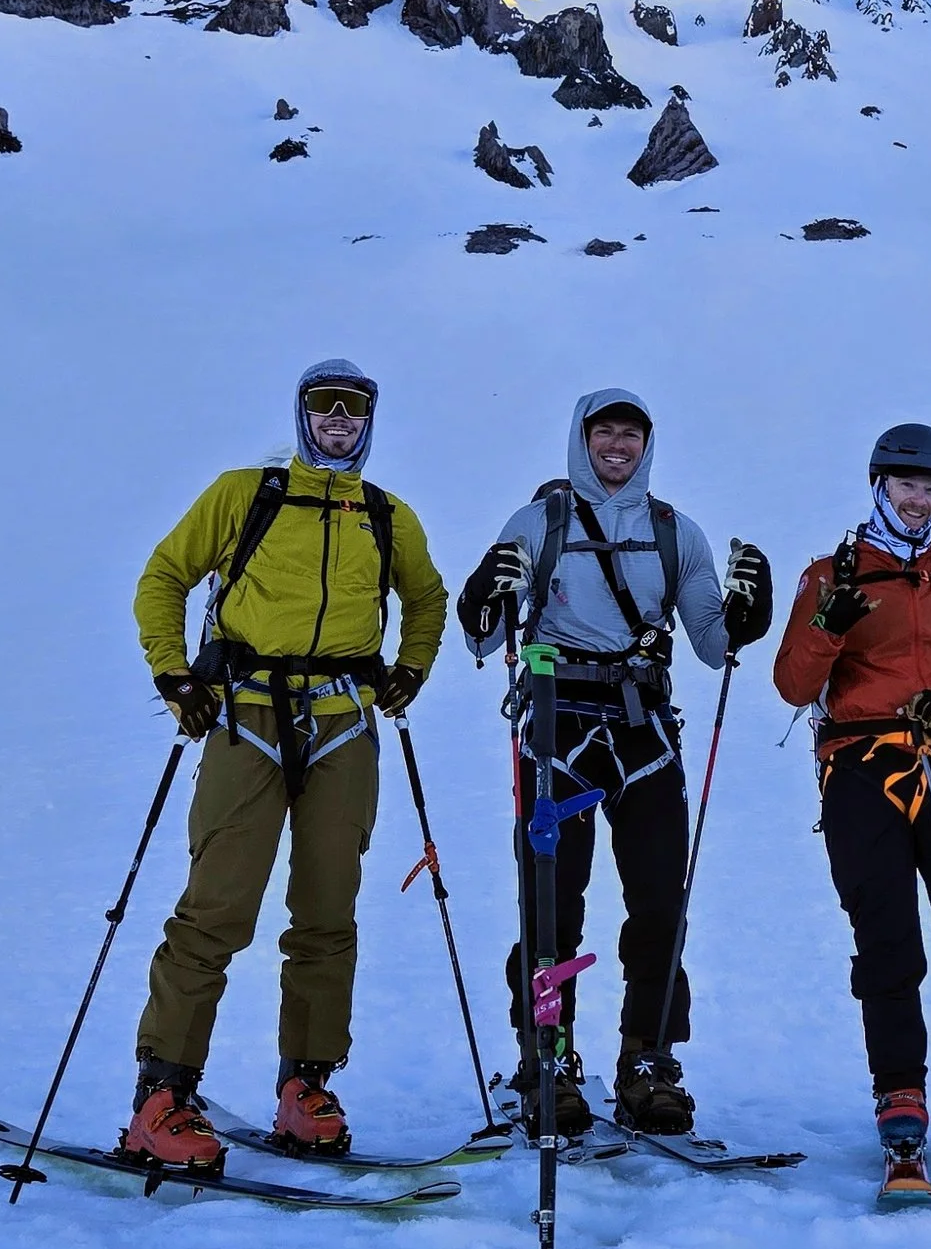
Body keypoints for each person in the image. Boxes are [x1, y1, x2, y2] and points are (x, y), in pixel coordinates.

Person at [124, 358, 448, 1172]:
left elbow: (429, 596)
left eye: (353, 409)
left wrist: (411, 666)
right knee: (217, 904)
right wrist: (174, 675)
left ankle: (306, 1087)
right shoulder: (248, 493)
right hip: (246, 715)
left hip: (342, 722)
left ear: (370, 422)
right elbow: (163, 577)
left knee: (327, 910)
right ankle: (162, 1095)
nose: (337, 419)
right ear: (302, 415)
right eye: (323, 406)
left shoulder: (387, 514)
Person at [455, 390, 771, 1137]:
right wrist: (480, 598)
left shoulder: (674, 533)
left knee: (660, 901)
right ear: (582, 438)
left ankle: (647, 1058)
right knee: (553, 902)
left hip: (644, 731)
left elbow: (711, 642)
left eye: (630, 433)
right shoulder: (540, 523)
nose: (617, 446)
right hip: (560, 728)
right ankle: (549, 1055)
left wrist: (747, 617)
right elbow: (482, 637)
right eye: (605, 433)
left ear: (647, 443)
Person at [772, 422, 931, 1209]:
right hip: (859, 774)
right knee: (886, 941)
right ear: (878, 484)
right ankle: (902, 1106)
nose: (918, 500)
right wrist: (829, 625)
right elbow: (791, 683)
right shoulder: (831, 574)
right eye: (906, 485)